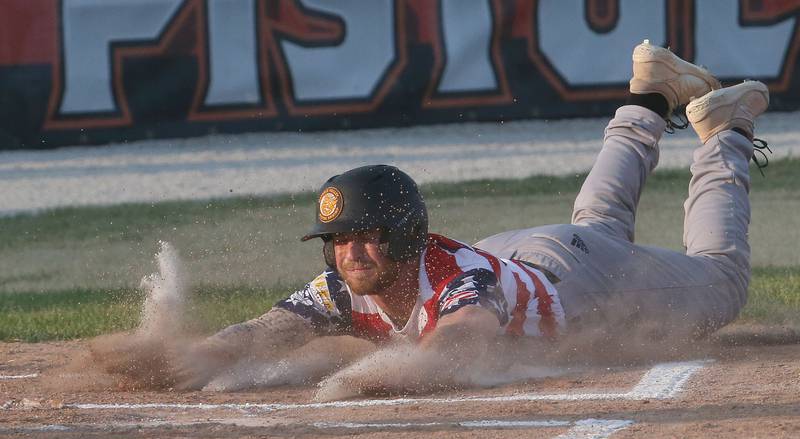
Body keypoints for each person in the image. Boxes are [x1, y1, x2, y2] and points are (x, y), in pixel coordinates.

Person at [171, 40, 770, 395]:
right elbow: (259, 332)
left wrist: (363, 371)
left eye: (366, 238)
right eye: (338, 241)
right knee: (598, 228)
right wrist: (192, 356)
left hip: (572, 274)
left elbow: (460, 344)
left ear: (403, 237)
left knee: (720, 277)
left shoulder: (462, 284)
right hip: (534, 257)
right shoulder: (342, 287)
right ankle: (646, 97)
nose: (349, 254)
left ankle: (726, 130)